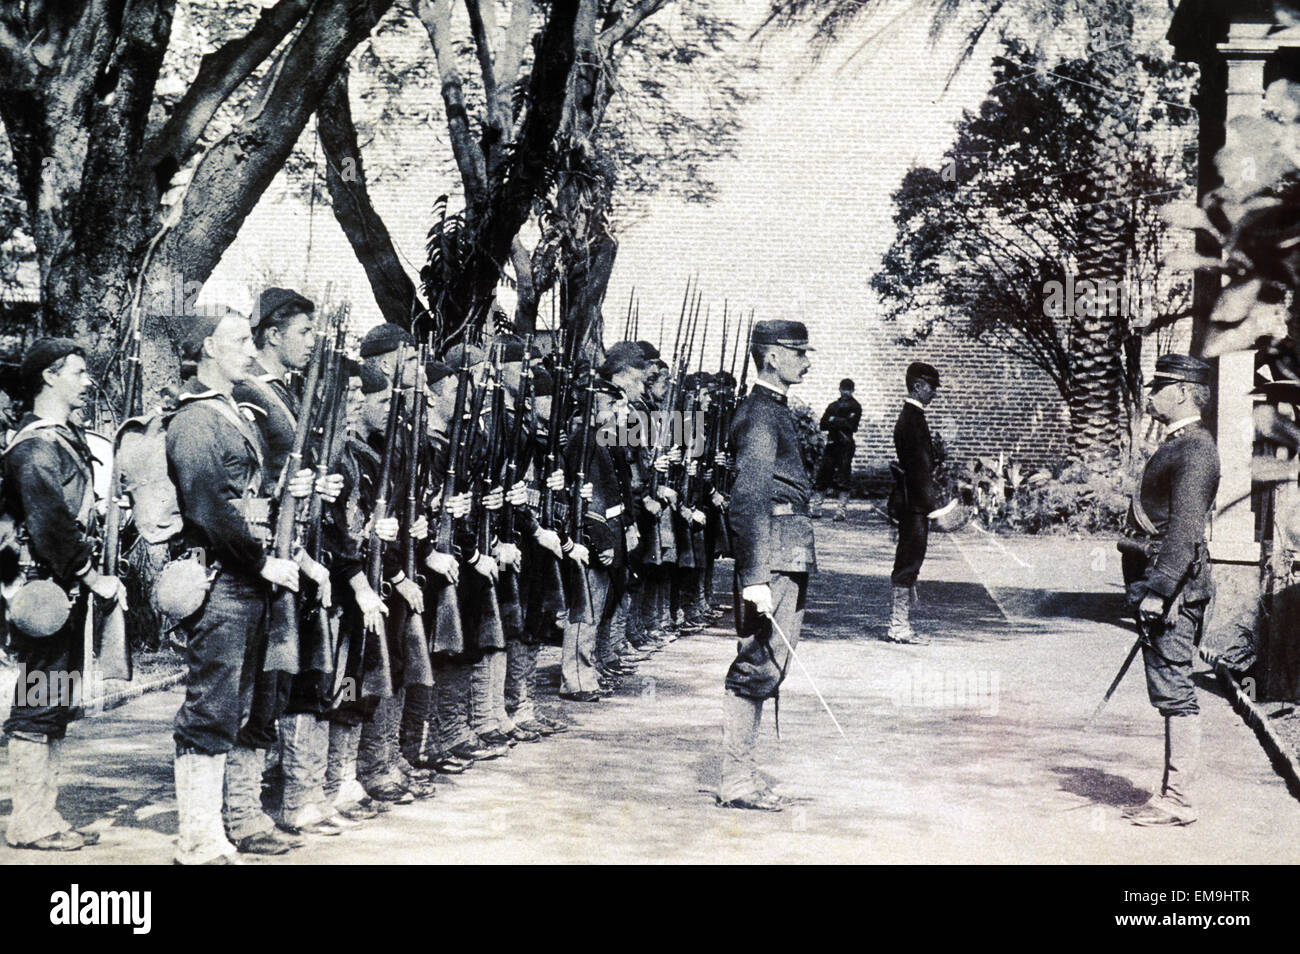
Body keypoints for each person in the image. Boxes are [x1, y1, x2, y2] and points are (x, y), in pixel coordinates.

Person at [165, 308, 306, 863]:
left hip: (244, 580)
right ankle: (197, 838)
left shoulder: (231, 411)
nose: (251, 351)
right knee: (211, 708)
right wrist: (259, 560)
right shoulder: (197, 420)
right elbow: (210, 506)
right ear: (207, 351)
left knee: (239, 705)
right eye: (240, 341)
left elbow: (247, 494)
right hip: (222, 580)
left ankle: (217, 829)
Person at [1, 338, 122, 851]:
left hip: (59, 592)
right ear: (49, 377)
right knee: (37, 706)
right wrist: (91, 574)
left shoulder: (62, 441)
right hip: (41, 594)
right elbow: (50, 523)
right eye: (77, 371)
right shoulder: (35, 447)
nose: (86, 380)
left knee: (53, 704)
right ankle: (29, 822)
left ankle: (44, 816)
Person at [1119, 354, 1220, 828]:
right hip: (1166, 587)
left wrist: (1158, 589)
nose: (1150, 394)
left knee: (1176, 691)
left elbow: (1184, 531)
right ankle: (1169, 795)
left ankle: (1177, 799)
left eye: (1158, 386)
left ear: (1181, 391)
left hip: (1177, 592)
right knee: (1168, 687)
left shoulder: (1196, 449)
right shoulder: (1182, 443)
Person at [720, 319, 816, 812]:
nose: (806, 359)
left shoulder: (772, 410)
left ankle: (744, 774)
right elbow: (748, 499)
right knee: (757, 663)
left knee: (770, 662)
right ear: (772, 356)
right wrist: (755, 576)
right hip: (773, 555)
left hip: (786, 550)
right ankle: (736, 780)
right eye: (797, 351)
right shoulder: (760, 414)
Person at [886, 362, 955, 645]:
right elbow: (919, 468)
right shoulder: (913, 419)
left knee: (910, 559)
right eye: (931, 387)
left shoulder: (912, 417)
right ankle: (898, 627)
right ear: (918, 386)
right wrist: (934, 507)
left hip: (912, 500)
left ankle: (900, 625)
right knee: (909, 560)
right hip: (915, 502)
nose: (934, 392)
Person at [814, 378, 861, 522]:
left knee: (844, 477)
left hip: (846, 445)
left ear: (852, 391)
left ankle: (841, 510)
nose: (845, 392)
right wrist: (841, 421)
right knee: (823, 475)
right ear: (839, 389)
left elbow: (851, 426)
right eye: (843, 389)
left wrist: (833, 420)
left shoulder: (855, 407)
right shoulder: (832, 406)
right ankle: (816, 508)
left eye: (848, 389)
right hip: (832, 443)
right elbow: (822, 424)